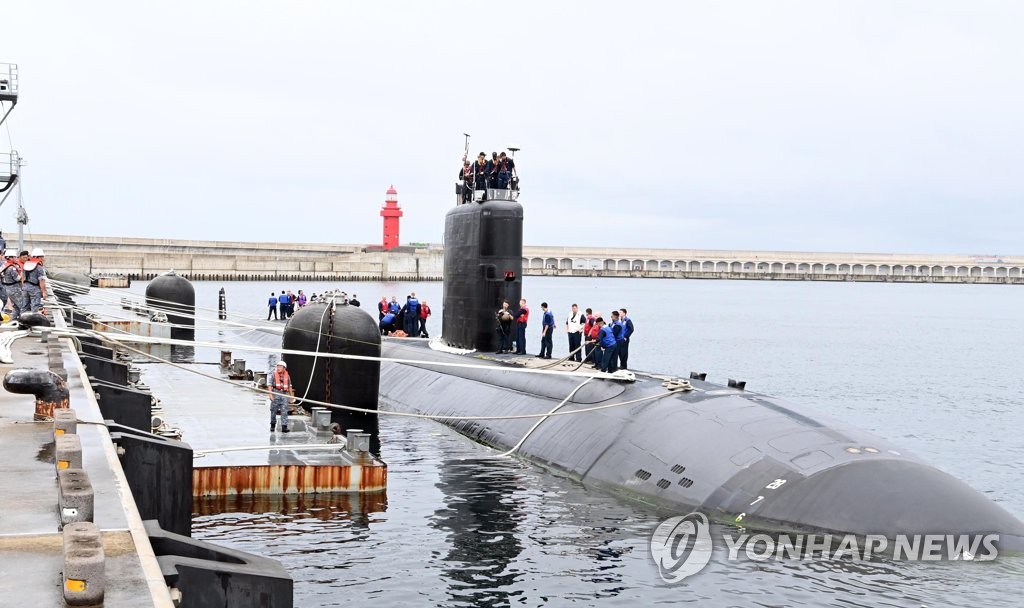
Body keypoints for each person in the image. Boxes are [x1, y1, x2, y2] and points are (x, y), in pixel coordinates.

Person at [268, 360, 294, 433]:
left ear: (284, 368)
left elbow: (289, 386)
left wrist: (291, 396)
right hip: (276, 393)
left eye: (280, 366)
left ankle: (284, 427)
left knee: (284, 411)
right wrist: (270, 395)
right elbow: (270, 385)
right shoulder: (273, 375)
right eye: (277, 366)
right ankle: (272, 425)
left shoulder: (287, 376)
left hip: (284, 394)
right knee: (273, 411)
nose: (278, 368)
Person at [23, 248, 48, 313]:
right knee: (35, 307)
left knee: (24, 307)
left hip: (25, 288)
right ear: (38, 257)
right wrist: (44, 292)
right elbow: (41, 281)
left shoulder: (26, 264)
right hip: (34, 289)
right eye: (42, 256)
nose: (43, 258)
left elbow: (22, 277)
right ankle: (33, 322)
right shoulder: (39, 267)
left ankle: (21, 320)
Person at [1, 251, 23, 321]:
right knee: (22, 306)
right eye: (14, 257)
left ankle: (12, 320)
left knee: (16, 306)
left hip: (7, 289)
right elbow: (17, 278)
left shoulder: (4, 266)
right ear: (10, 258)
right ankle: (24, 320)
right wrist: (22, 273)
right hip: (14, 289)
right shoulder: (11, 268)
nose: (16, 258)